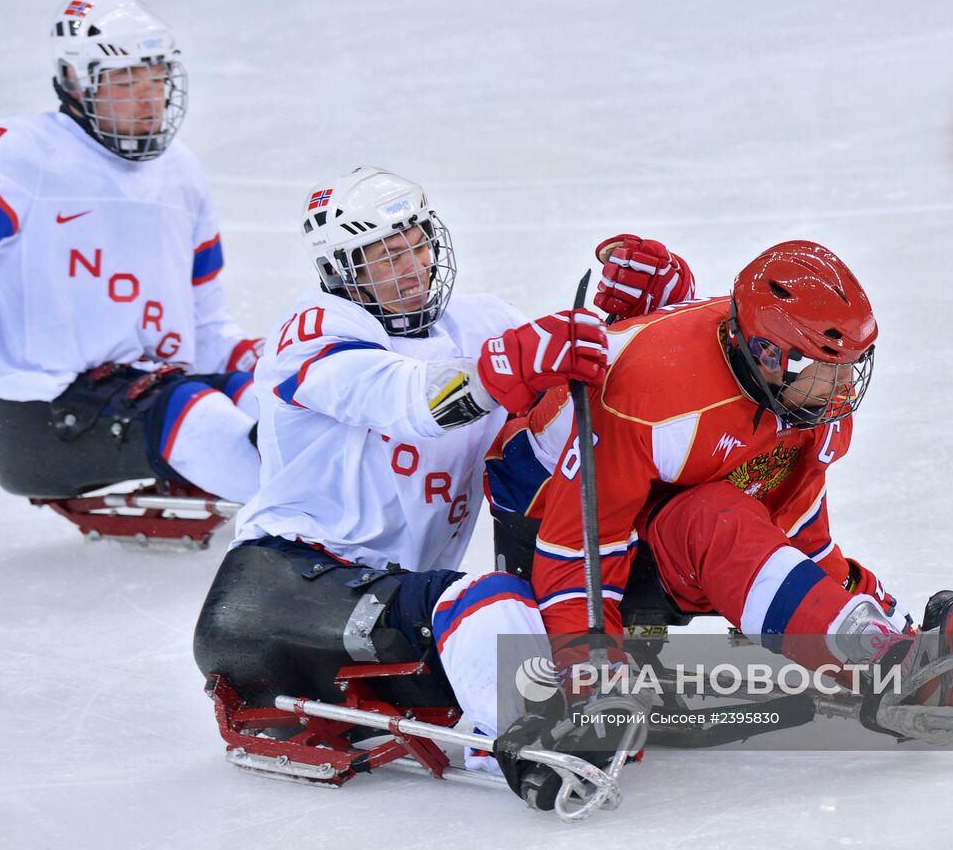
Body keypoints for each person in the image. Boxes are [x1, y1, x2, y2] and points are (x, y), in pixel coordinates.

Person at [192, 170, 693, 777]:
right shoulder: (316, 329)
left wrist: (634, 323)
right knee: (486, 602)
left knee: (532, 609)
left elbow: (564, 405)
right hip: (275, 595)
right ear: (342, 271)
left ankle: (552, 714)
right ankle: (540, 748)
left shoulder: (480, 323)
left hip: (393, 602)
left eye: (416, 243)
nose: (410, 265)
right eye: (383, 255)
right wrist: (510, 367)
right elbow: (407, 399)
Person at [489, 239, 953, 718]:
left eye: (854, 365)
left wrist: (881, 614)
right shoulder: (646, 401)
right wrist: (594, 680)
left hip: (660, 495)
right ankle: (878, 668)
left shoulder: (806, 399)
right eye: (831, 369)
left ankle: (884, 649)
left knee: (728, 514)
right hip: (546, 513)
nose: (847, 387)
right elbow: (577, 555)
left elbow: (799, 531)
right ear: (769, 355)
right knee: (716, 519)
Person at [0, 0, 262, 504]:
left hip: (147, 388)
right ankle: (328, 529)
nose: (149, 99)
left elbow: (204, 322)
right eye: (126, 80)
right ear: (75, 80)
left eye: (157, 78)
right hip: (43, 413)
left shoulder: (181, 172)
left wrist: (261, 366)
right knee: (200, 412)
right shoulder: (23, 152)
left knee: (273, 398)